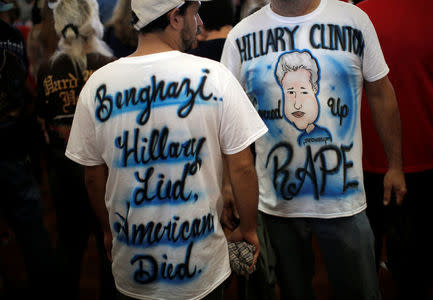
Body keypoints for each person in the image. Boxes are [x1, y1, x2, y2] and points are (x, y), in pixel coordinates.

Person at [65, 0, 268, 299]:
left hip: (133, 267)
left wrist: (109, 231)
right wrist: (249, 227)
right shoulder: (215, 76)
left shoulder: (99, 85)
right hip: (202, 270)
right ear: (175, 17)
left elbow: (93, 177)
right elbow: (242, 166)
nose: (199, 22)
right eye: (194, 13)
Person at [221, 0, 407, 299]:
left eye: (303, 92)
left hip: (345, 201)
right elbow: (226, 118)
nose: (296, 100)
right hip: (276, 203)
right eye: (290, 92)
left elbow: (381, 93)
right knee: (293, 293)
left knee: (361, 291)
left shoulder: (353, 20)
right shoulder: (241, 37)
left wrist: (395, 165)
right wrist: (227, 183)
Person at [357, 0, 433, 299]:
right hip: (427, 151)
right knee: (418, 262)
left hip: (379, 154)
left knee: (363, 256)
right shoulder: (359, 14)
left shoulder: (360, 14)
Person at [35, 0, 116, 299]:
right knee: (109, 245)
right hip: (104, 172)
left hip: (63, 171)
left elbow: (43, 121)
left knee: (68, 244)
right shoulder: (107, 66)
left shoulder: (47, 68)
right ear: (92, 20)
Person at [0, 12, 56, 298]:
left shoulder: (15, 35)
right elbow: (21, 84)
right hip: (12, 141)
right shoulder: (11, 36)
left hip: (13, 142)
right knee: (31, 225)